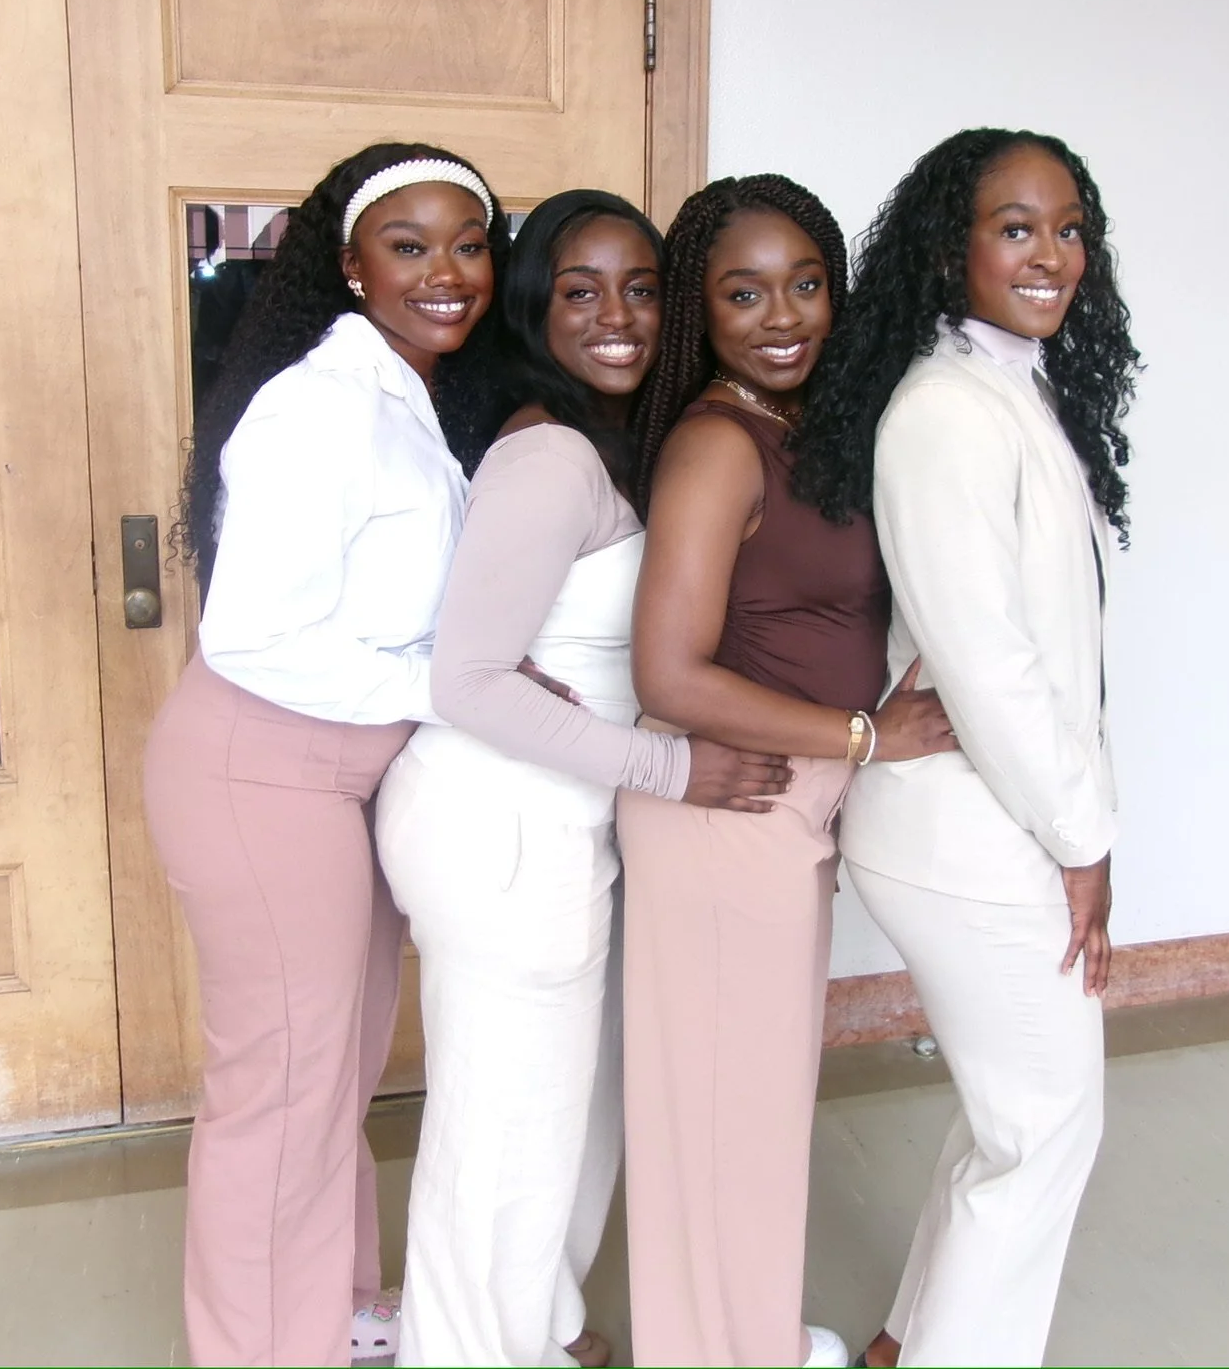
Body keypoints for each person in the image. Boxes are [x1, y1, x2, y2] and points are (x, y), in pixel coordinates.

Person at [375, 189, 793, 1368]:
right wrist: (671, 765)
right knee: (499, 1136)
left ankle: (540, 1331)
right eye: (579, 290)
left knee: (561, 1119)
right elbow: (467, 680)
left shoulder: (592, 443)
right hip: (501, 828)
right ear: (531, 306)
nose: (617, 316)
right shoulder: (550, 455)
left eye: (642, 289)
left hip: (545, 823)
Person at [142, 143, 507, 1367]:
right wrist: (459, 696)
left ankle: (338, 1312)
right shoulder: (320, 406)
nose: (446, 273)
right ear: (351, 267)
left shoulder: (404, 395)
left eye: (469, 245)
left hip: (343, 774)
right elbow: (251, 636)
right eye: (409, 247)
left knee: (330, 1079)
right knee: (279, 1094)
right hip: (263, 769)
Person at [793, 128, 1141, 1368]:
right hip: (964, 827)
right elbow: (989, 668)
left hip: (985, 818)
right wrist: (1082, 840)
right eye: (1014, 227)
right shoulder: (945, 410)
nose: (1050, 255)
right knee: (1045, 1127)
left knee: (1009, 1120)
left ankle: (905, 1343)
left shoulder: (1008, 386)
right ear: (953, 248)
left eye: (1067, 228)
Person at [616, 175, 957, 1368]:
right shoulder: (716, 443)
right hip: (732, 820)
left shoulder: (809, 427)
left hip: (783, 813)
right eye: (743, 291)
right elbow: (667, 673)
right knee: (717, 1120)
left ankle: (741, 1339)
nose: (781, 315)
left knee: (746, 1116)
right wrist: (866, 737)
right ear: (699, 312)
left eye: (805, 283)